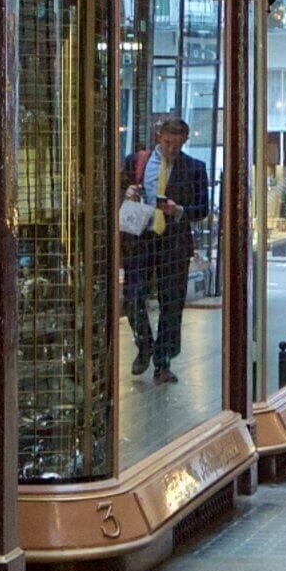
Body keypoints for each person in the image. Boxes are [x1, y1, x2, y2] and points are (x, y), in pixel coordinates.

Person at [120, 113, 212, 384]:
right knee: (134, 295)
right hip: (141, 239)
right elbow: (117, 190)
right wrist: (126, 193)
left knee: (171, 303)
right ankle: (144, 344)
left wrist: (179, 210)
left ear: (184, 142)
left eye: (178, 145)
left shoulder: (195, 168)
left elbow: (202, 209)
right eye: (168, 143)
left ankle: (164, 362)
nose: (172, 149)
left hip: (173, 243)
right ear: (159, 137)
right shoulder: (137, 162)